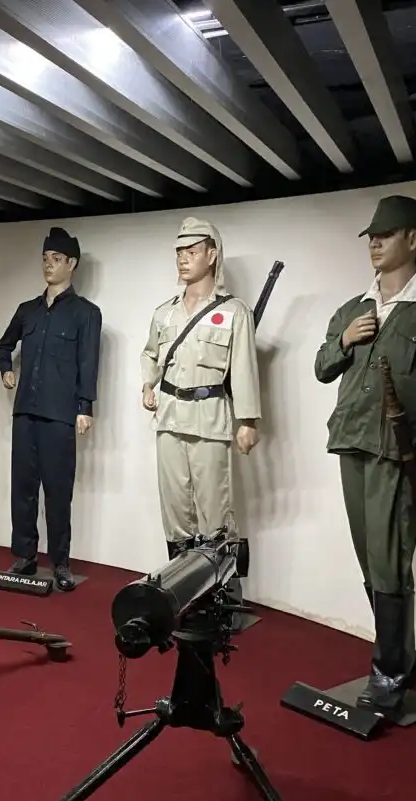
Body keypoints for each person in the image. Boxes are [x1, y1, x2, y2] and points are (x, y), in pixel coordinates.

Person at [314, 194, 416, 714]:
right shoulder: (353, 308)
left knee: (389, 560)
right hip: (351, 442)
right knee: (369, 558)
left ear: (415, 239)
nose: (375, 244)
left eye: (386, 234)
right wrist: (343, 340)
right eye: (372, 236)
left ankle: (390, 672)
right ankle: (400, 655)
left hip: (396, 452)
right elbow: (322, 368)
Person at [140, 218, 261, 564]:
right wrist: (148, 384)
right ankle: (180, 579)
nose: (183, 258)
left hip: (209, 419)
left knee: (214, 507)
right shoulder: (165, 313)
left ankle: (219, 584)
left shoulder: (234, 311)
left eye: (192, 251)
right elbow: (150, 354)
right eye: (179, 252)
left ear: (211, 255)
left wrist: (248, 421)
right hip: (169, 417)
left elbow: (244, 368)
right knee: (175, 507)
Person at [0, 226, 102, 592]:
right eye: (44, 259)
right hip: (26, 411)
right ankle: (24, 556)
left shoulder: (86, 314)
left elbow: (88, 362)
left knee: (58, 492)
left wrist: (85, 407)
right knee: (23, 487)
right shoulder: (28, 311)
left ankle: (60, 562)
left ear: (72, 263)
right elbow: (3, 346)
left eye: (56, 259)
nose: (48, 265)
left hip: (60, 415)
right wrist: (6, 369)